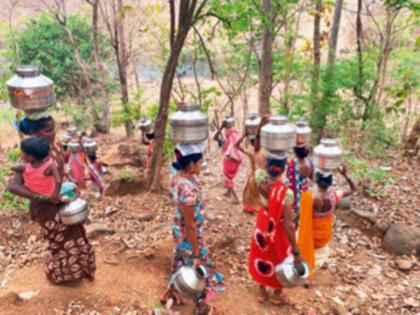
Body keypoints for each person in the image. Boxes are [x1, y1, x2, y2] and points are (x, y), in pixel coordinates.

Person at [9, 116, 95, 285]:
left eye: (53, 128)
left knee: (76, 234)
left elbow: (60, 175)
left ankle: (79, 272)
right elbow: (14, 186)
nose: (53, 133)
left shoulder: (52, 148)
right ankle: (63, 277)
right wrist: (42, 197)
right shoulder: (30, 156)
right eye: (48, 130)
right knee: (60, 242)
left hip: (61, 201)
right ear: (34, 133)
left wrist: (69, 187)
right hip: (45, 209)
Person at [161, 143, 224, 315]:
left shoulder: (178, 176)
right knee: (200, 268)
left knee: (181, 260)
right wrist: (196, 252)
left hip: (179, 229)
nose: (202, 165)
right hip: (189, 234)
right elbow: (190, 225)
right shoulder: (188, 190)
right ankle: (201, 305)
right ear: (191, 165)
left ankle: (170, 291)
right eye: (199, 162)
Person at [248, 152, 301, 306]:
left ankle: (262, 292)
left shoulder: (259, 178)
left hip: (262, 223)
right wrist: (296, 251)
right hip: (277, 228)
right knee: (279, 257)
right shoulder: (286, 193)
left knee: (262, 255)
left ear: (267, 166)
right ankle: (277, 292)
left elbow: (257, 166)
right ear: (284, 169)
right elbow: (289, 225)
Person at [297, 165, 356, 273]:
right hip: (324, 237)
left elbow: (301, 216)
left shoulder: (311, 197)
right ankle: (317, 264)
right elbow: (353, 189)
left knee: (297, 235)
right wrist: (346, 175)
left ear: (317, 181)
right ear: (330, 182)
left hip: (310, 236)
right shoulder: (334, 195)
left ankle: (303, 266)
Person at [12, 136, 61, 203]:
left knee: (46, 212)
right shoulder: (27, 166)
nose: (21, 154)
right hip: (37, 198)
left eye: (23, 153)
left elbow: (58, 181)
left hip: (48, 198)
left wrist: (55, 194)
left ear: (30, 157)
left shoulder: (49, 166)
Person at [235, 116, 269, 214]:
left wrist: (244, 135)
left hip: (253, 176)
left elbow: (236, 145)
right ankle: (255, 210)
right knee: (254, 196)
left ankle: (252, 210)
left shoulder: (252, 151)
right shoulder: (262, 151)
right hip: (259, 176)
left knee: (249, 196)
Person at [214, 119, 243, 204]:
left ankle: (235, 198)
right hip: (232, 161)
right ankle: (228, 192)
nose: (227, 132)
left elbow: (235, 148)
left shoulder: (232, 139)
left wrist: (222, 127)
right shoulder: (226, 142)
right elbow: (215, 137)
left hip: (232, 161)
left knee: (228, 179)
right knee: (228, 178)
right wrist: (221, 127)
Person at [286, 142, 314, 228]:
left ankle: (291, 227)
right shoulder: (310, 164)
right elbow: (312, 178)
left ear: (295, 153)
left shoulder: (292, 163)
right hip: (303, 190)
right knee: (301, 210)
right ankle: (298, 226)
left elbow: (288, 176)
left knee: (291, 211)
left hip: (293, 191)